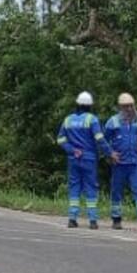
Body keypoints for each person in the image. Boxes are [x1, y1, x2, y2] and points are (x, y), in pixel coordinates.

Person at [56, 91, 108, 229]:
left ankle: (72, 218)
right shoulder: (92, 119)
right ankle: (93, 220)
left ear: (77, 104)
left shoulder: (68, 120)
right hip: (89, 158)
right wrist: (110, 153)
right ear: (90, 106)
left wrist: (72, 150)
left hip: (73, 158)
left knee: (74, 187)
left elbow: (60, 139)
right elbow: (99, 139)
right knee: (90, 187)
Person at [104, 92, 137, 232]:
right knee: (117, 191)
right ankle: (116, 219)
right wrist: (110, 153)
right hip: (119, 163)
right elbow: (103, 141)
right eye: (126, 106)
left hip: (135, 163)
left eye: (131, 106)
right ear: (120, 107)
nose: (129, 109)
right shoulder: (112, 122)